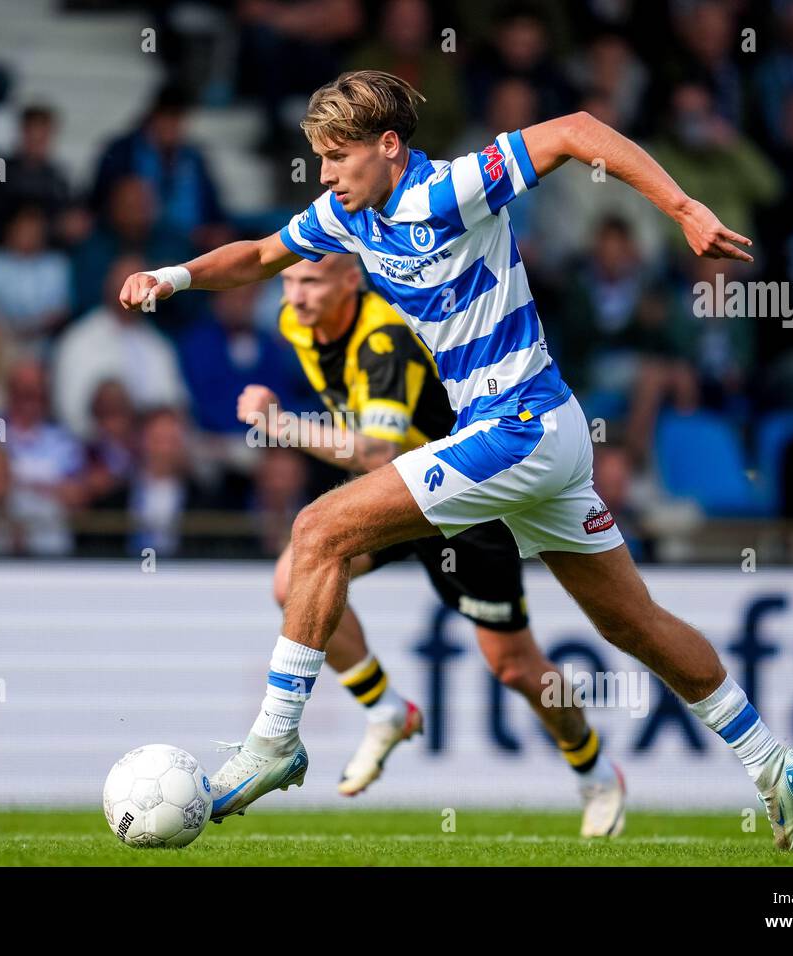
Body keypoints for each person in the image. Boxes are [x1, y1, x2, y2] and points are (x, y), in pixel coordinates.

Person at [121, 70, 793, 851]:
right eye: (318, 158)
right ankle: (775, 762)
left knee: (319, 529)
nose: (323, 174)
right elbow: (257, 254)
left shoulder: (450, 190)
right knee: (636, 625)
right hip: (540, 430)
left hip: (516, 422)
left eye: (337, 156)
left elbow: (577, 130)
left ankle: (273, 744)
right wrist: (175, 277)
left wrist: (684, 206)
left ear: (390, 147)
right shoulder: (346, 216)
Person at [237, 253, 625, 835]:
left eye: (311, 280)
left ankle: (594, 770)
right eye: (289, 280)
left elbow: (376, 451)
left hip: (464, 502)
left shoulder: (384, 340)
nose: (296, 295)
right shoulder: (296, 323)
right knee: (293, 579)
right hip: (396, 498)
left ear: (350, 281)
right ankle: (387, 710)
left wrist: (283, 426)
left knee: (515, 667)